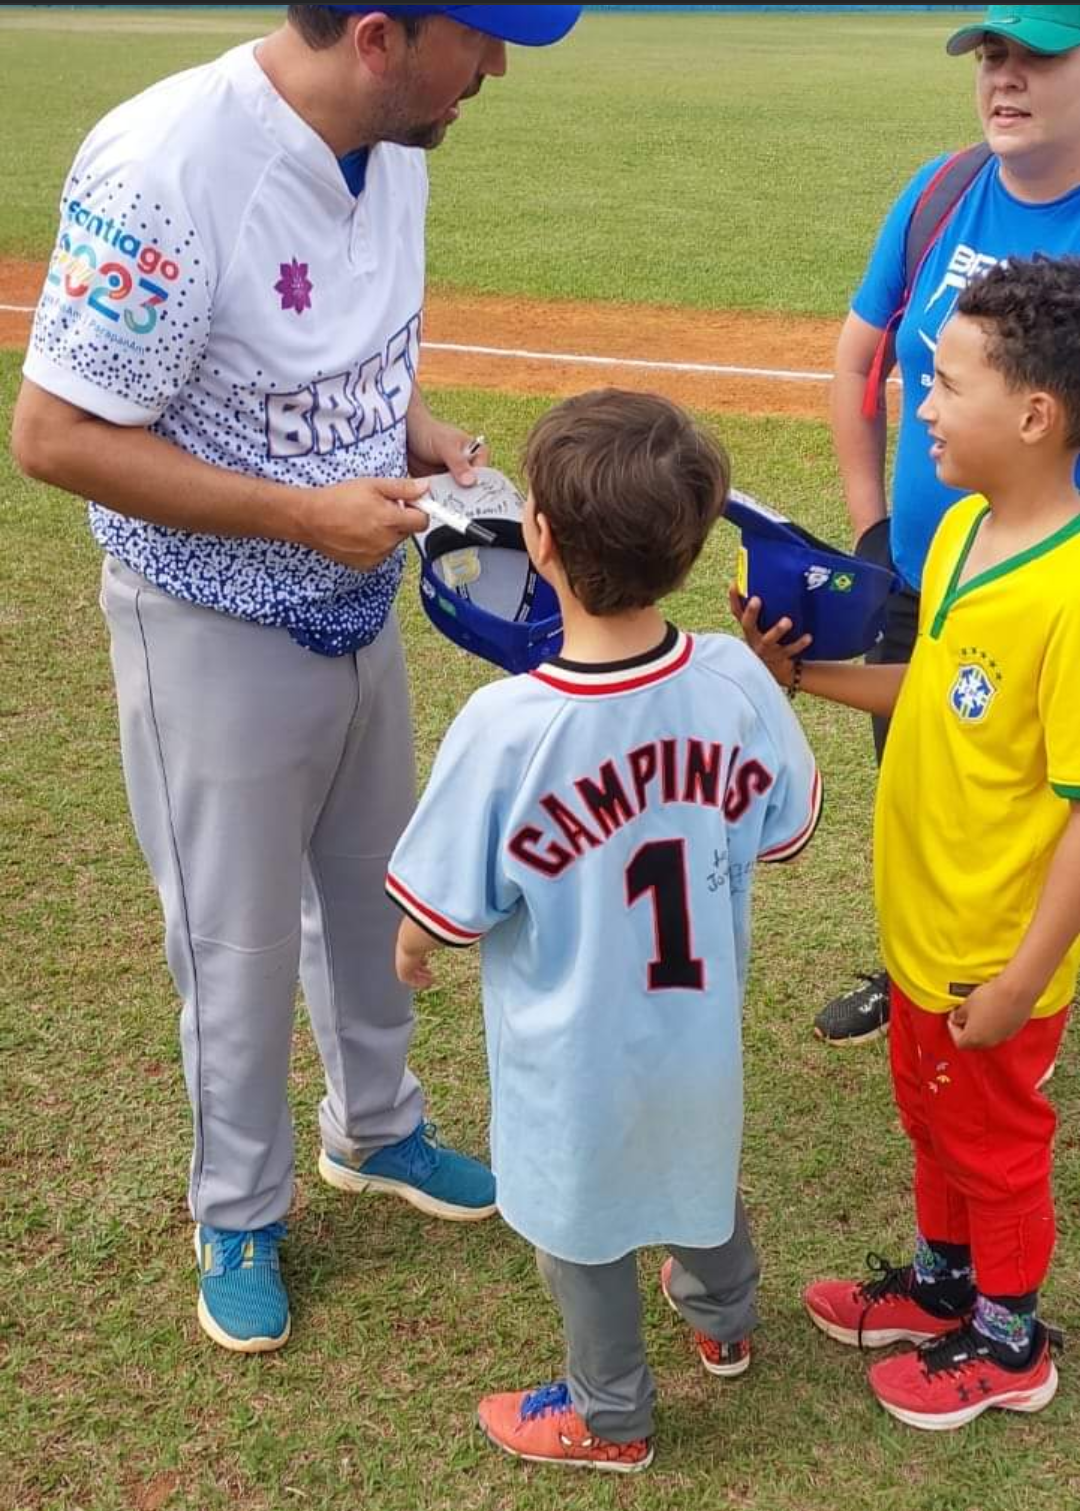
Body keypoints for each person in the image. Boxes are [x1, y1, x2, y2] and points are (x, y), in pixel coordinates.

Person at [11, 3, 582, 1354]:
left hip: (355, 598)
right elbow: (52, 434)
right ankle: (237, 1207)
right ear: (379, 36)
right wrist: (295, 514)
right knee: (236, 935)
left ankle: (376, 1128)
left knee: (372, 881)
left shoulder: (399, 140)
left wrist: (424, 431)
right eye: (479, 39)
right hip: (208, 611)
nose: (494, 69)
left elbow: (348, 355)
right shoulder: (161, 164)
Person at [385, 389, 823, 1472]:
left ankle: (610, 1413)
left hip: (569, 1061)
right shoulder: (730, 676)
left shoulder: (506, 726)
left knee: (579, 1231)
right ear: (688, 546)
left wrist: (410, 950)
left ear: (537, 538)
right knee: (697, 1170)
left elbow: (437, 904)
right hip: (695, 1034)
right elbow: (791, 831)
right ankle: (726, 1318)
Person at [736, 257, 1080, 1429]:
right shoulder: (965, 535)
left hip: (998, 946)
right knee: (933, 1118)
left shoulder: (1071, 593)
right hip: (924, 925)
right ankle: (944, 1290)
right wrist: (800, 673)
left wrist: (1029, 971)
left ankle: (1010, 1339)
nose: (919, 405)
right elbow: (925, 691)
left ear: (1035, 414)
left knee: (997, 1140)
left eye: (945, 383)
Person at [817, 2, 1080, 1045]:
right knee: (928, 782)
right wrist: (873, 526)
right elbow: (857, 361)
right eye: (989, 56)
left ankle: (1025, 992)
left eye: (1036, 58)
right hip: (928, 574)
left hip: (1049, 597)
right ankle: (916, 967)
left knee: (1045, 798)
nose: (1003, 79)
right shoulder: (939, 195)